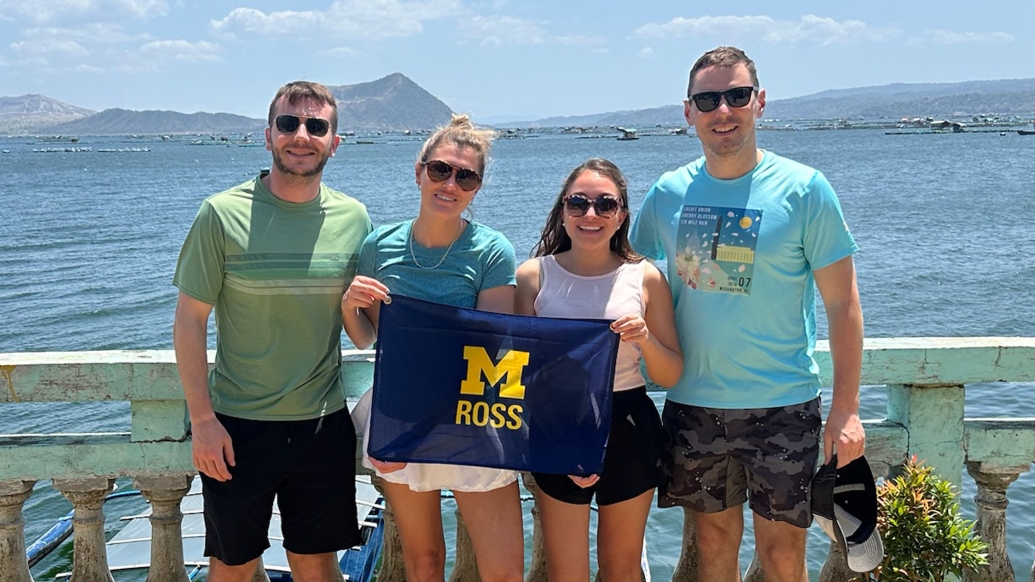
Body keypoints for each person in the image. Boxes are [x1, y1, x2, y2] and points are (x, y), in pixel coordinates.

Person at [629, 46, 866, 582]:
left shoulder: (806, 190)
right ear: (688, 112)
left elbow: (843, 304)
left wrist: (846, 410)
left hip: (783, 407)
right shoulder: (667, 193)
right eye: (708, 99)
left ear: (760, 103)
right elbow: (628, 279)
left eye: (736, 96)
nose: (723, 111)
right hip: (692, 403)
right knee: (712, 546)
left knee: (783, 557)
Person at [172, 81, 372, 582]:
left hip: (322, 426)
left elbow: (363, 330)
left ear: (334, 142)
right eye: (289, 123)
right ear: (268, 136)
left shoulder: (355, 218)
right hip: (237, 426)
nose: (301, 135)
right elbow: (189, 321)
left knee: (317, 568)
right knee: (233, 568)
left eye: (316, 126)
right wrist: (203, 421)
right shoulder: (220, 213)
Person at [341, 114, 523, 582]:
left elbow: (494, 345)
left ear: (477, 187)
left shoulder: (491, 250)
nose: (450, 184)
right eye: (441, 169)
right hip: (401, 413)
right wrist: (348, 307)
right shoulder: (378, 245)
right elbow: (369, 338)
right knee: (423, 562)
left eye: (466, 176)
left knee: (502, 571)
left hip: (471, 415)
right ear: (419, 171)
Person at [514, 158, 683, 582]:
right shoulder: (533, 277)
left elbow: (671, 374)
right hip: (557, 424)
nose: (591, 215)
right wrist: (560, 442)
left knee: (621, 570)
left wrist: (644, 339)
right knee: (566, 573)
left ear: (622, 214)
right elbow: (522, 373)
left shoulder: (645, 278)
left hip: (628, 421)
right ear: (563, 211)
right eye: (578, 203)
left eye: (605, 204)